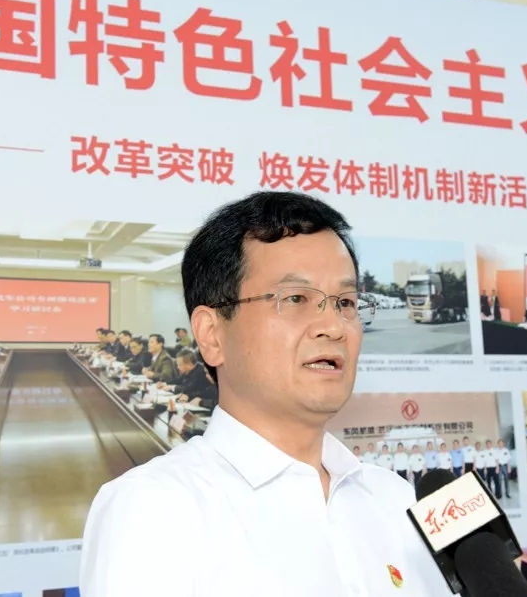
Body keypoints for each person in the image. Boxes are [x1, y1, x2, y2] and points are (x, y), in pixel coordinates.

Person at [79, 191, 451, 595]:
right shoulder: (155, 508)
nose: (334, 327)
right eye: (295, 299)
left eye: (345, 302)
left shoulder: (397, 500)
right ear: (211, 334)